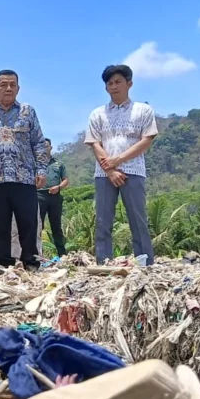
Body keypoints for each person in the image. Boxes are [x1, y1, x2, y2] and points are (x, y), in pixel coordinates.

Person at [0, 70, 48, 269]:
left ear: (18, 88)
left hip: (25, 177)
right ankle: (1, 264)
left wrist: (42, 169)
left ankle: (30, 262)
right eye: (3, 85)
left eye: (13, 85)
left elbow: (38, 142)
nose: (8, 88)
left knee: (28, 223)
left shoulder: (28, 111)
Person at [84, 64, 158, 265]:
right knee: (102, 220)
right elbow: (94, 143)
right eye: (110, 83)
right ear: (106, 87)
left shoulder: (143, 110)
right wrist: (110, 170)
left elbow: (146, 141)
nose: (114, 86)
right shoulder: (97, 114)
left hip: (133, 171)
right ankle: (104, 262)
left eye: (118, 82)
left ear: (129, 83)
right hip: (104, 174)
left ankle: (144, 263)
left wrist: (118, 160)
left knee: (138, 219)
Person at [38, 138, 69, 257]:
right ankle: (38, 254)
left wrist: (59, 187)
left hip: (55, 197)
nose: (44, 148)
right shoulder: (36, 164)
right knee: (38, 226)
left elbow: (66, 180)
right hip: (39, 196)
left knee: (56, 225)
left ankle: (62, 254)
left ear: (50, 147)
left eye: (46, 146)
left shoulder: (58, 164)